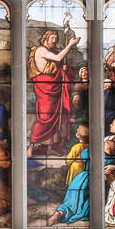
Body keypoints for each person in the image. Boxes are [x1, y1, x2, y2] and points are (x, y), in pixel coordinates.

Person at [27, 28, 80, 156]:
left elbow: (57, 63)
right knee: (45, 118)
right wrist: (70, 45)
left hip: (54, 87)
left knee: (56, 117)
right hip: (45, 87)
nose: (54, 42)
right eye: (52, 39)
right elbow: (57, 58)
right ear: (45, 38)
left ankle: (50, 148)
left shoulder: (50, 51)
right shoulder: (40, 50)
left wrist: (64, 70)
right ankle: (31, 146)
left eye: (56, 40)